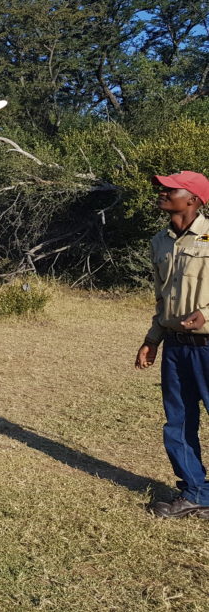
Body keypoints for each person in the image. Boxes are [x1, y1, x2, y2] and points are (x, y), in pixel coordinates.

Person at [135, 170, 209, 519]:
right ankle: (194, 493)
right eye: (161, 188)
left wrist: (206, 314)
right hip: (176, 347)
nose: (161, 193)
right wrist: (152, 339)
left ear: (193, 199)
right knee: (177, 422)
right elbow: (161, 297)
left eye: (170, 189)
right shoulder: (159, 242)